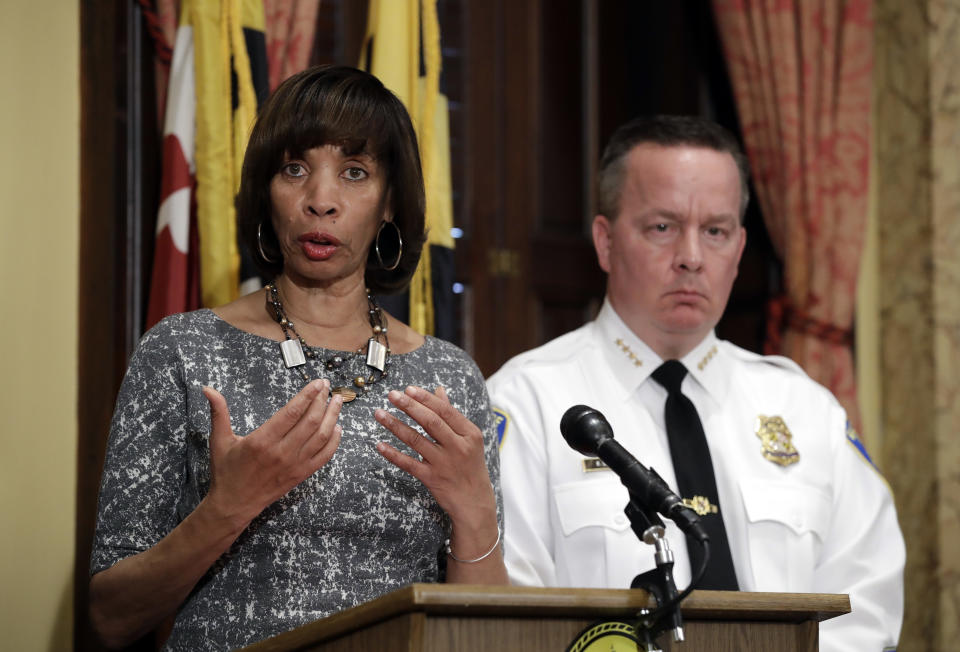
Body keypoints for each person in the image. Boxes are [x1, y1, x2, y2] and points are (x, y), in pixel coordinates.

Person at [89, 65, 506, 651]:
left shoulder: (449, 378)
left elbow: (484, 636)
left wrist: (475, 514)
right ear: (266, 189)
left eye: (355, 173)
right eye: (294, 170)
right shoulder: (182, 351)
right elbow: (110, 617)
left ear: (390, 203)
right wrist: (229, 506)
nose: (321, 201)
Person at [487, 115, 904, 651]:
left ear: (739, 247)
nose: (691, 257)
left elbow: (866, 607)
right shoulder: (528, 404)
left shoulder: (806, 411)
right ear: (606, 242)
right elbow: (512, 613)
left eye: (715, 231)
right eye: (662, 227)